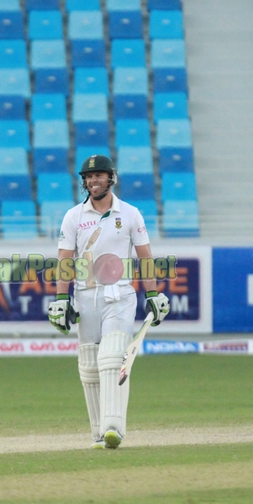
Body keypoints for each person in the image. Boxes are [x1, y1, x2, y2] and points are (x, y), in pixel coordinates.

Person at [48, 154, 170, 449]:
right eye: (89, 177)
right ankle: (98, 434)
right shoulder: (73, 216)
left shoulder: (130, 214)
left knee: (113, 357)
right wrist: (62, 299)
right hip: (86, 295)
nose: (93, 181)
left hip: (121, 295)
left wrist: (152, 293)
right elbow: (65, 260)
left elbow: (145, 258)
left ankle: (113, 427)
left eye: (99, 176)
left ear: (111, 178)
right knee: (90, 365)